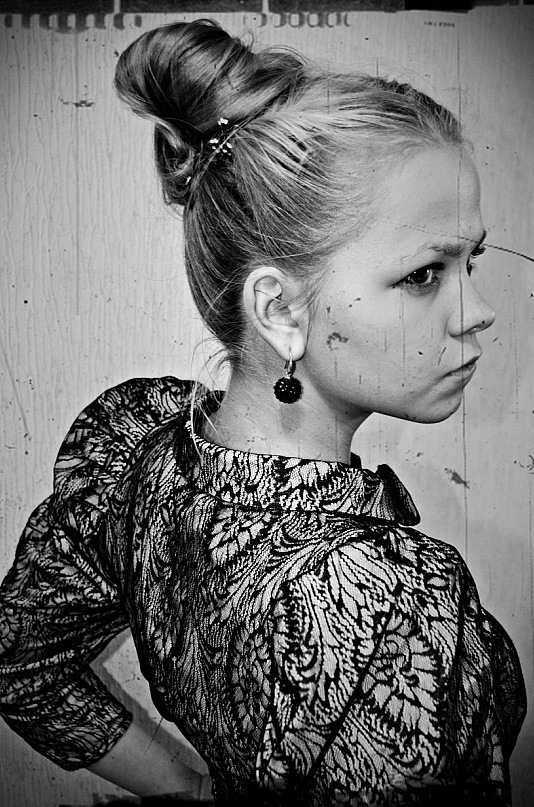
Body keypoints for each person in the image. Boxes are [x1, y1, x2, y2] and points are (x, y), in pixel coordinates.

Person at [0, 17, 526, 807]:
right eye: (424, 274)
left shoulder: (135, 445)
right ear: (280, 310)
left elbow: (22, 661)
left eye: (471, 261)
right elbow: (23, 666)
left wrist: (193, 786)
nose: (477, 312)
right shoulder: (392, 606)